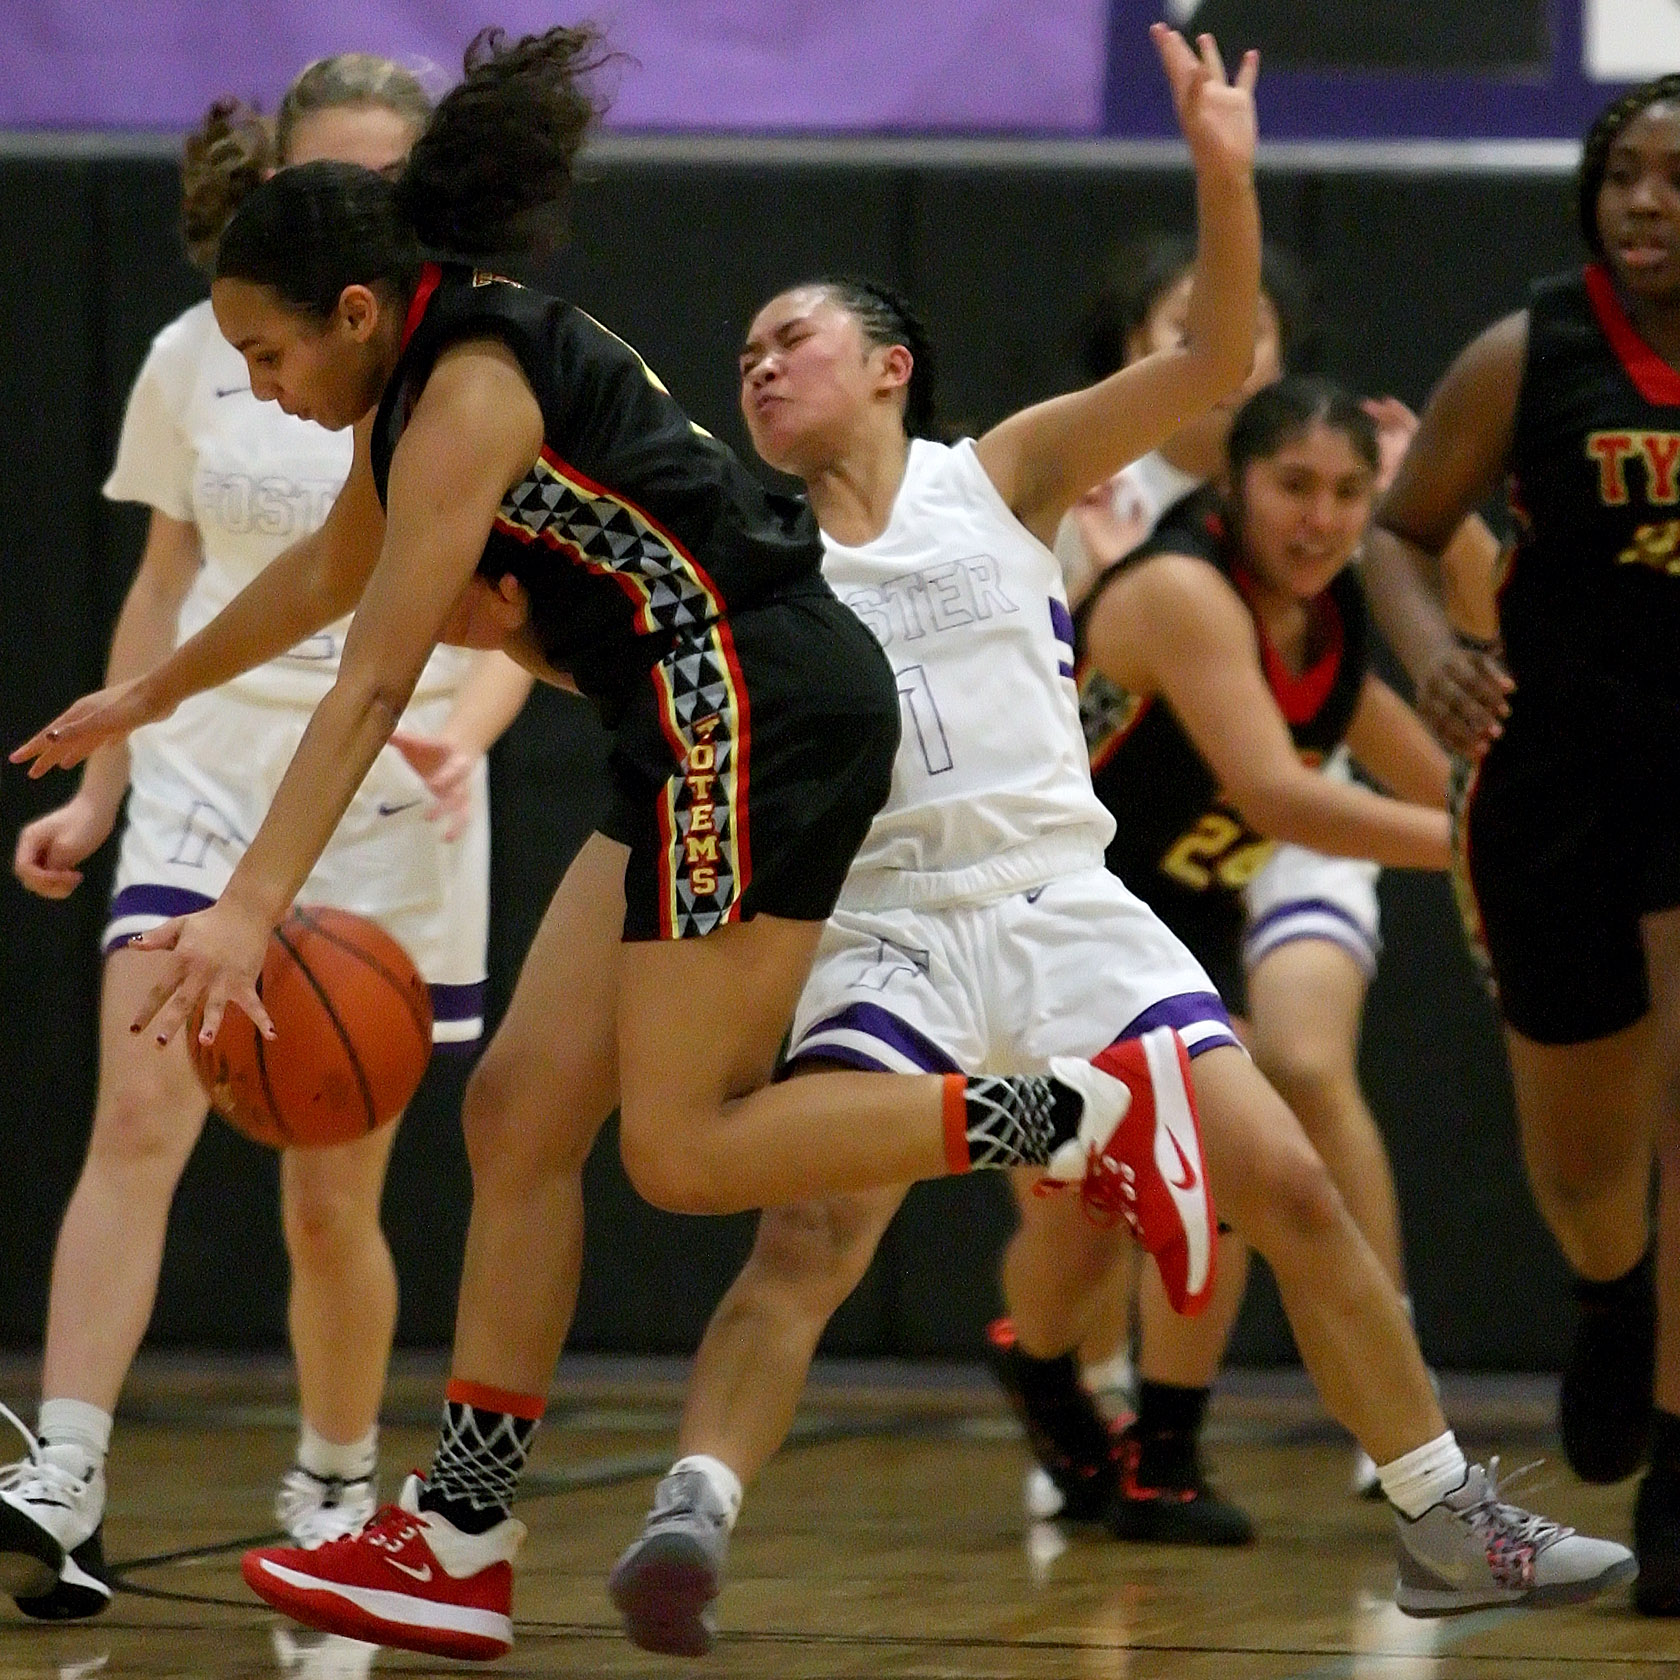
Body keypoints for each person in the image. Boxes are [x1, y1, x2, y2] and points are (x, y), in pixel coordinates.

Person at [11, 22, 1264, 1657]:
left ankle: (1084, 1110)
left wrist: (250, 907)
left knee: (683, 1151)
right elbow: (327, 574)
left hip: (749, 707)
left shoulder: (467, 390)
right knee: (520, 1112)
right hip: (690, 711)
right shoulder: (426, 375)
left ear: (356, 312)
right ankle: (460, 1531)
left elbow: (377, 673)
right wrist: (151, 693)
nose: (256, 385)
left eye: (265, 352)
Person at [599, 346, 1630, 1654]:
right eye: (1293, 486)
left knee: (1283, 1183)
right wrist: (1498, 842)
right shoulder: (1156, 578)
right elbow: (1283, 795)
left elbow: (1459, 721)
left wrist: (1508, 803)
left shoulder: (1329, 625)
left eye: (1345, 494)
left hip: (1093, 924)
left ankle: (1410, 1506)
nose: (1318, 519)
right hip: (930, 909)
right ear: (1231, 484)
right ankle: (702, 1507)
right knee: (831, 1232)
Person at [0, 56, 534, 1622]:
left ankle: (334, 1480)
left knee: (327, 1190)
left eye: (383, 181)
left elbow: (521, 605)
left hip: (389, 778)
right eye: (328, 178)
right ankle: (68, 1473)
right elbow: (167, 580)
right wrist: (102, 788)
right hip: (210, 762)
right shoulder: (200, 348)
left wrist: (466, 733)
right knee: (138, 1116)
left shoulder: (467, 363)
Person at [1363, 71, 1680, 1616]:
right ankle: (1615, 1292)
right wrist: (1431, 652)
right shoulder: (1529, 350)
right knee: (1585, 1165)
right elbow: (1398, 531)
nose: (1646, 200)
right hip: (1558, 776)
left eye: (1674, 177)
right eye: (1624, 174)